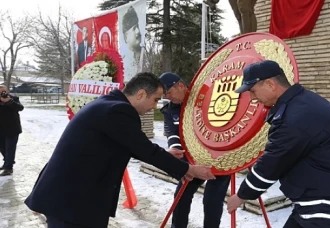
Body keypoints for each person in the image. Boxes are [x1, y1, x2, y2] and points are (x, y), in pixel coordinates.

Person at [24, 72, 216, 228]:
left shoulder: (109, 103)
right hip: (73, 202)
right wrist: (188, 169)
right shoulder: (118, 110)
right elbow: (144, 148)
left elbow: (129, 144)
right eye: (155, 100)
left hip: (73, 198)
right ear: (141, 94)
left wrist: (165, 156)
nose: (154, 107)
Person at [226, 60, 330, 228]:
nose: (252, 98)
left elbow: (271, 166)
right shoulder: (304, 101)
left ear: (270, 84)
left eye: (253, 91)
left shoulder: (295, 118)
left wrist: (241, 196)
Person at [159, 72, 231, 228]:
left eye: (169, 92)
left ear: (180, 85)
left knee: (212, 199)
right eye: (165, 95)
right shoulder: (171, 109)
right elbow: (172, 131)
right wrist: (175, 147)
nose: (168, 97)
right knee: (181, 195)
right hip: (193, 160)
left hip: (219, 158)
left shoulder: (206, 96)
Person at [0, 85, 24, 176]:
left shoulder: (13, 99)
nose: (2, 94)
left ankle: (8, 167)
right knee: (2, 147)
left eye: (4, 92)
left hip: (12, 128)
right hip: (1, 129)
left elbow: (20, 108)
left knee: (10, 148)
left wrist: (9, 101)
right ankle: (7, 162)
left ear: (7, 92)